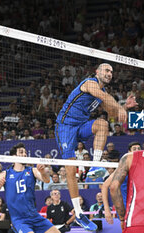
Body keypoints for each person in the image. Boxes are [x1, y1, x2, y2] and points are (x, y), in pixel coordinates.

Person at [55, 63, 137, 230]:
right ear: (97, 72)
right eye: (107, 70)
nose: (109, 73)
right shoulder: (90, 83)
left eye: (112, 72)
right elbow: (105, 98)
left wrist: (124, 108)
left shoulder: (103, 94)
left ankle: (95, 166)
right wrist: (119, 106)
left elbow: (112, 112)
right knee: (71, 169)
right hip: (65, 127)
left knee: (102, 124)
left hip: (81, 125)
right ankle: (78, 214)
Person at [0, 143, 59, 233]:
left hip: (34, 216)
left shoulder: (32, 170)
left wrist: (43, 172)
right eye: (21, 152)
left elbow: (47, 180)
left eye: (25, 152)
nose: (24, 154)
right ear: (14, 157)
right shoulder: (5, 174)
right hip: (20, 220)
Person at [102, 141, 142, 225]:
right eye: (134, 149)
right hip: (124, 209)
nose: (137, 151)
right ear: (129, 152)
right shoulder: (123, 168)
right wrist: (106, 209)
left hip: (140, 208)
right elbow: (105, 186)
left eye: (139, 149)